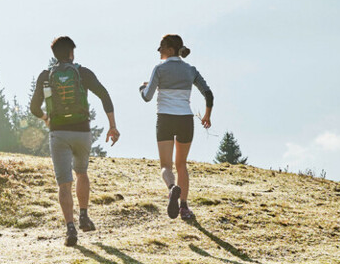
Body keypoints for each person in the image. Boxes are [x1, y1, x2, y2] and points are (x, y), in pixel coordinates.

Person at [29, 36, 119, 246]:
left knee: (64, 183)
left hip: (59, 133)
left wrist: (46, 118)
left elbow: (34, 108)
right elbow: (104, 95)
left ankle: (70, 229)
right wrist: (112, 126)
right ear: (71, 53)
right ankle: (84, 216)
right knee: (82, 172)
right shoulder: (82, 72)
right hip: (82, 132)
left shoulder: (45, 76)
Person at [140, 34, 213, 221]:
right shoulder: (190, 69)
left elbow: (147, 97)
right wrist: (206, 115)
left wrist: (142, 87)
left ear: (171, 50)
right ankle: (185, 208)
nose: (159, 50)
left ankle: (172, 188)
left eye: (162, 46)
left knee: (165, 165)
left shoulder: (159, 69)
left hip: (165, 118)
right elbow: (209, 94)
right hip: (185, 120)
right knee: (182, 164)